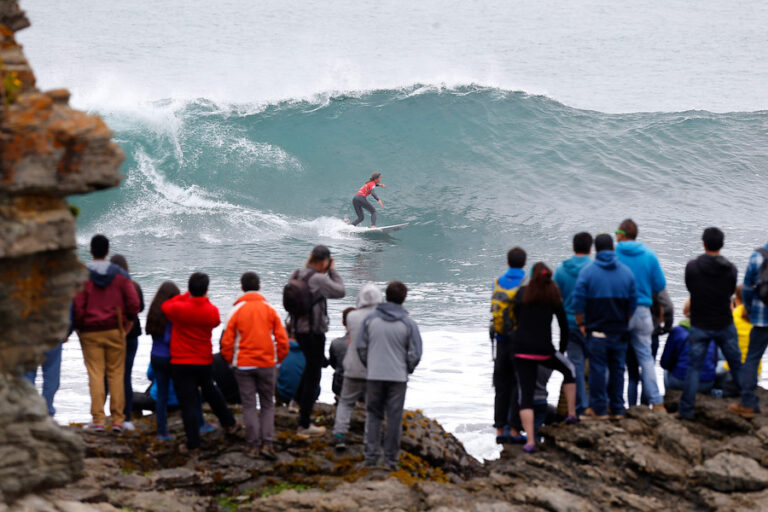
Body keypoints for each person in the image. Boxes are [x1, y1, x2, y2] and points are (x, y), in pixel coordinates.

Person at [162, 272, 240, 452]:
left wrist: (185, 295)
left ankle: (193, 444)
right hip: (203, 361)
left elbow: (165, 306)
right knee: (211, 391)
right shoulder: (211, 310)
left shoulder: (179, 309)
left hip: (181, 361)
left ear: (190, 288)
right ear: (206, 289)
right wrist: (201, 299)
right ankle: (229, 422)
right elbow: (216, 322)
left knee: (188, 403)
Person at [73, 235, 140, 432]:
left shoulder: (83, 275)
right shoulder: (120, 275)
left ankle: (99, 420)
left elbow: (77, 305)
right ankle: (118, 420)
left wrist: (78, 326)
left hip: (90, 331)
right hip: (114, 329)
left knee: (95, 375)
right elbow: (133, 302)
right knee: (116, 374)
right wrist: (128, 322)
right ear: (108, 251)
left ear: (91, 251)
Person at [221, 272, 289, 460]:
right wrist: (278, 360)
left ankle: (252, 445)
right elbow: (282, 340)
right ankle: (267, 443)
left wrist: (231, 361)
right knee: (267, 404)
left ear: (242, 287)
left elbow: (226, 342)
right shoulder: (270, 309)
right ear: (259, 287)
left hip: (243, 365)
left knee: (249, 405)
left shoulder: (236, 310)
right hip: (267, 363)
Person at [511, 262, 578, 453]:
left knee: (525, 396)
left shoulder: (521, 293)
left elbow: (513, 319)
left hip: (521, 351)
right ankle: (572, 414)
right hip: (544, 350)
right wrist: (561, 351)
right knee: (569, 371)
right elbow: (564, 326)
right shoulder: (552, 294)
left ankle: (530, 441)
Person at [357, 281, 422, 469]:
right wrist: (407, 368)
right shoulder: (408, 323)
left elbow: (361, 347)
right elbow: (416, 352)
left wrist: (370, 365)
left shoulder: (370, 319)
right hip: (398, 377)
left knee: (373, 416)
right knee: (394, 418)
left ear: (386, 296)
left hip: (374, 375)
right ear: (404, 298)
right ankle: (391, 460)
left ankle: (371, 457)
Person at [572, 233, 637, 420]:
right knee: (618, 369)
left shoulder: (588, 272)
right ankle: (617, 408)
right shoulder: (626, 272)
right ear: (613, 249)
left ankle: (599, 409)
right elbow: (633, 302)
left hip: (597, 331)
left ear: (595, 249)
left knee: (597, 369)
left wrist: (581, 323)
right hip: (619, 331)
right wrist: (625, 320)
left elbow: (578, 302)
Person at [680, 227, 743, 420]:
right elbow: (730, 291)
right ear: (722, 244)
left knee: (694, 368)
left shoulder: (692, 267)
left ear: (703, 243)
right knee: (736, 364)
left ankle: (686, 410)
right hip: (724, 323)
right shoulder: (731, 269)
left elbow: (691, 288)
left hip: (700, 323)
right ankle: (747, 402)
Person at [288, 245, 345, 438]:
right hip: (314, 332)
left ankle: (295, 402)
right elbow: (340, 291)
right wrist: (333, 271)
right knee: (314, 374)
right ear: (324, 261)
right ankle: (304, 424)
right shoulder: (318, 279)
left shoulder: (297, 273)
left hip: (298, 330)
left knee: (310, 366)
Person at [615, 219, 667, 412]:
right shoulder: (649, 255)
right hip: (643, 311)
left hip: (620, 312)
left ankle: (614, 404)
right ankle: (657, 402)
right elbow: (659, 285)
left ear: (621, 234)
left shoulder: (614, 254)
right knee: (646, 359)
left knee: (615, 359)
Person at [333, 284, 383, 450]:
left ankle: (339, 435)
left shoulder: (351, 316)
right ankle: (369, 440)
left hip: (352, 367)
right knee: (372, 408)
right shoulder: (381, 318)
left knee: (345, 403)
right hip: (373, 370)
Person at [490, 247, 528, 444]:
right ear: (524, 263)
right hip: (518, 341)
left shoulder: (497, 282)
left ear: (507, 262)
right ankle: (514, 429)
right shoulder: (526, 283)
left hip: (500, 340)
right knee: (516, 384)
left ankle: (499, 429)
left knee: (501, 384)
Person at [553, 231, 593, 416]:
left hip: (569, 325)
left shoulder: (561, 270)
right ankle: (596, 405)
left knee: (576, 367)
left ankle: (581, 407)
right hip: (591, 324)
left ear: (573, 247)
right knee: (596, 365)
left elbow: (555, 297)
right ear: (590, 248)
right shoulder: (594, 268)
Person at [730, 240, 768, 419]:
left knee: (752, 358)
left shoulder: (757, 256)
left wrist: (750, 310)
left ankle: (747, 403)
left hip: (761, 319)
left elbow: (746, 288)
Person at [109, 254, 144, 431]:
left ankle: (112, 415)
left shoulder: (107, 288)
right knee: (126, 376)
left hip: (113, 335)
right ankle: (126, 417)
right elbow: (141, 307)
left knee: (111, 376)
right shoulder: (134, 286)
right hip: (132, 336)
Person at [144, 281, 181, 440]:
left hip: (156, 357)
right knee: (183, 391)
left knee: (161, 396)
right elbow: (169, 338)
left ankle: (162, 432)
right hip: (171, 357)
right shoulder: (172, 314)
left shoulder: (154, 312)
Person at [627, 290, 673, 406]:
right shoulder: (654, 285)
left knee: (632, 376)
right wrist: (666, 327)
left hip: (630, 334)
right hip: (652, 333)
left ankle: (631, 407)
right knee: (647, 371)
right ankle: (645, 407)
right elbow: (668, 307)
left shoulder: (627, 283)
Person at [660, 299, 717, 392]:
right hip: (706, 383)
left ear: (684, 311)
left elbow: (664, 363)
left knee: (666, 372)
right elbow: (714, 362)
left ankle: (669, 397)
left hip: (680, 381)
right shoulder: (712, 332)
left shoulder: (677, 331)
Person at [329, 307, 356, 400]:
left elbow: (333, 364)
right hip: (361, 387)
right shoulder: (367, 344)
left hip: (339, 386)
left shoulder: (335, 343)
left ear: (343, 322)